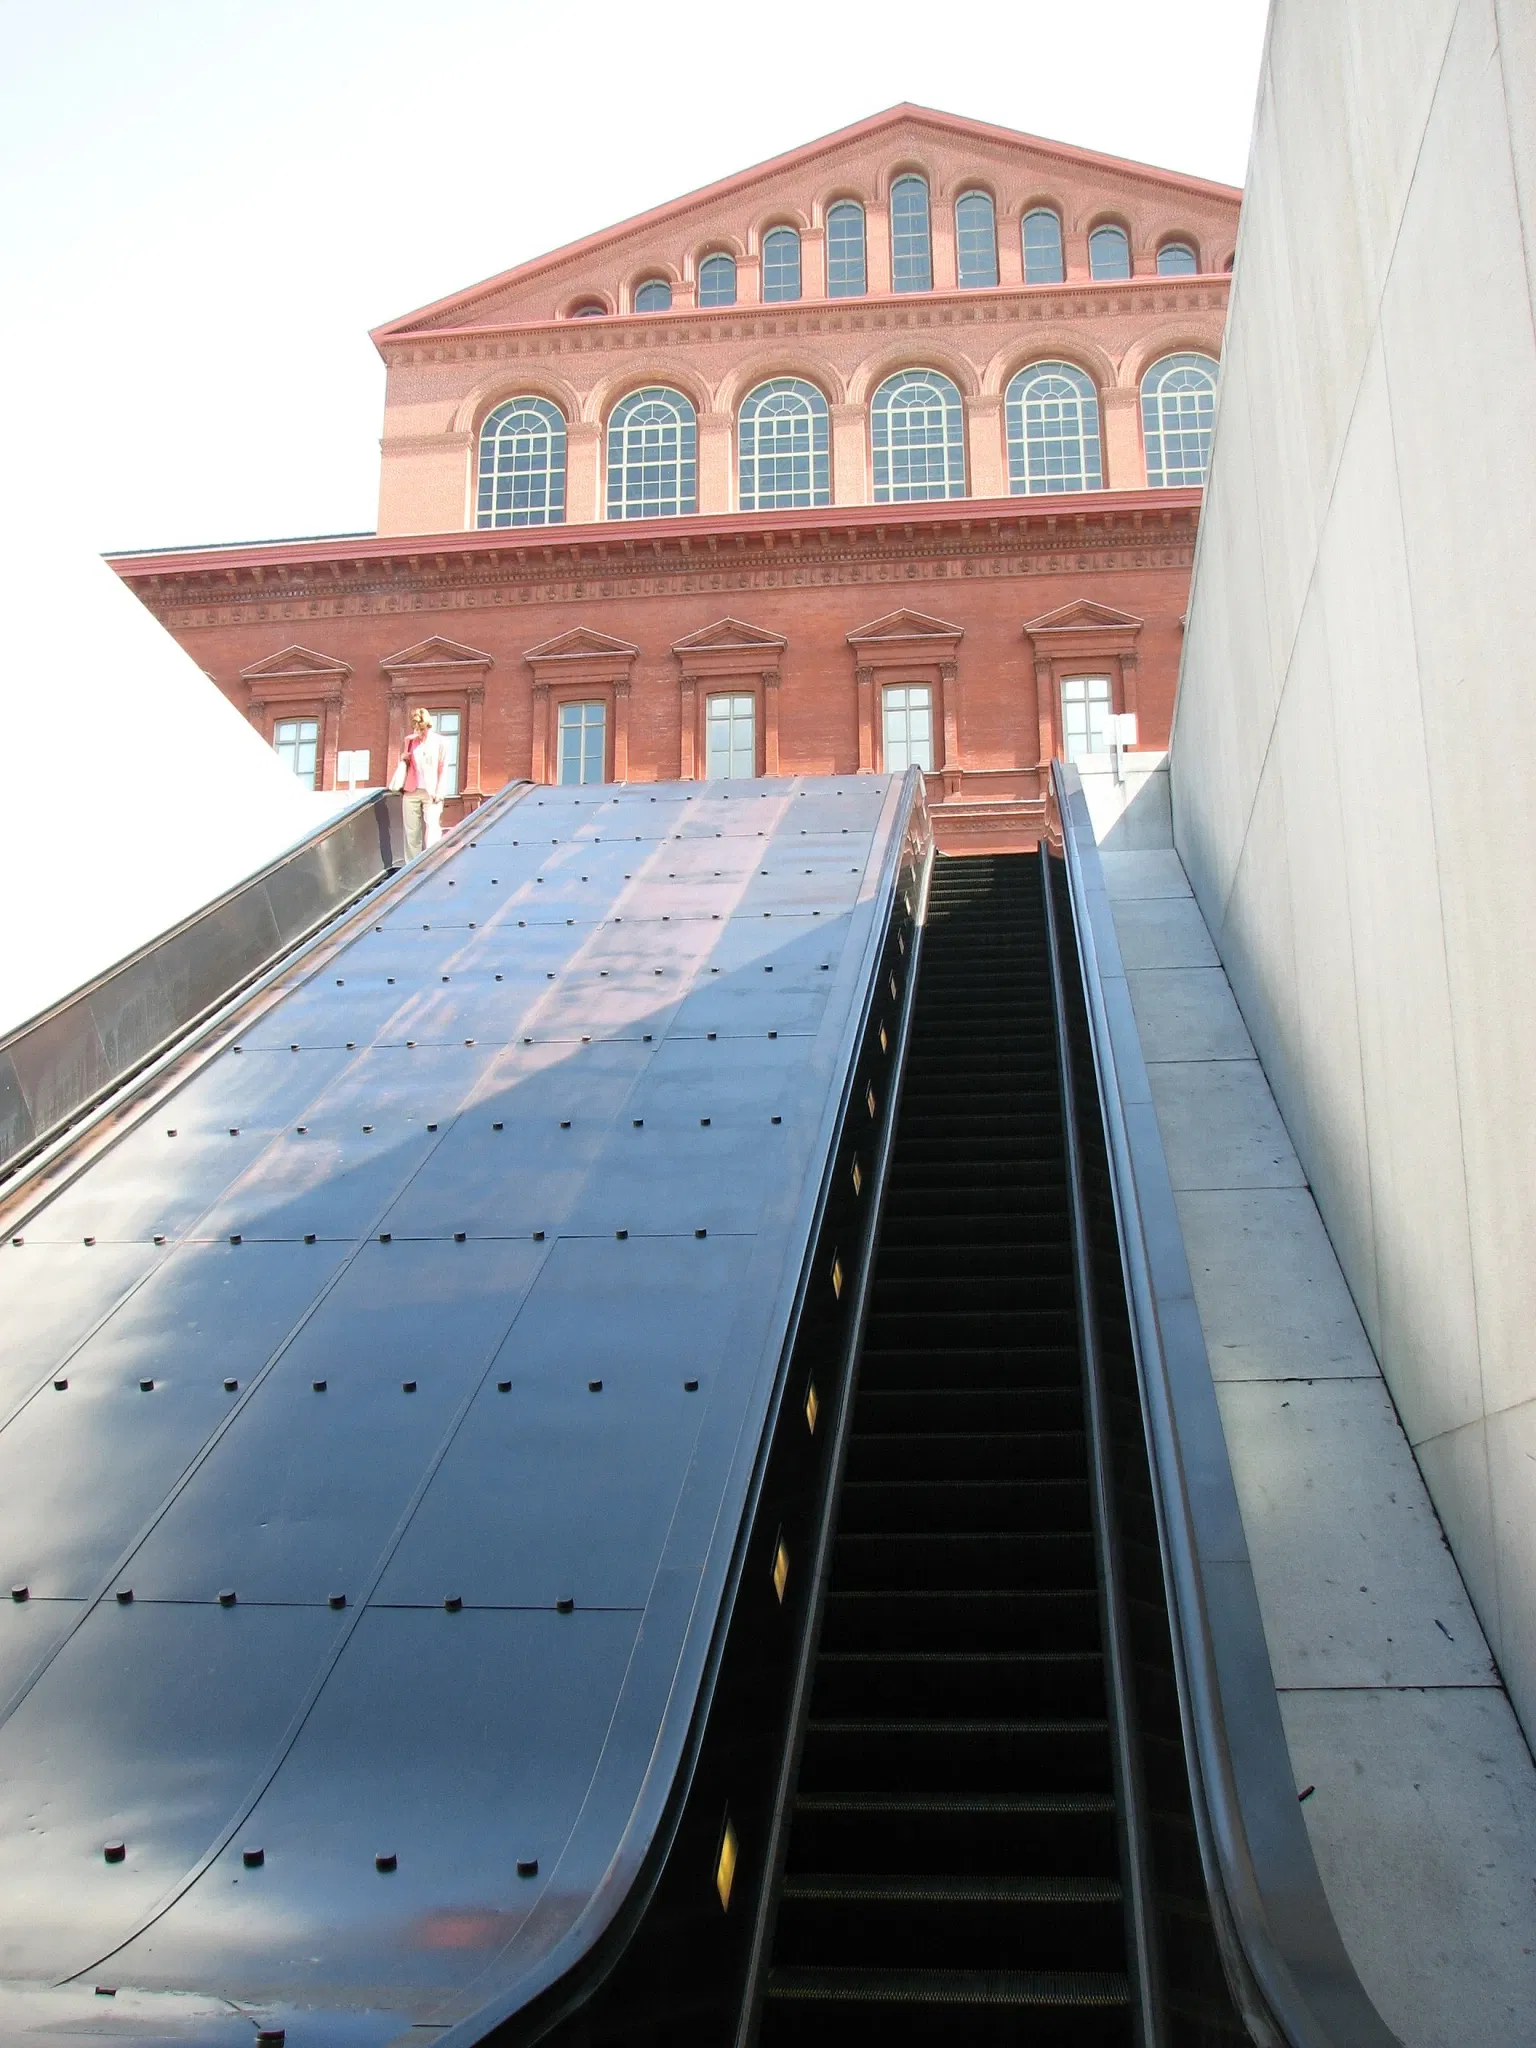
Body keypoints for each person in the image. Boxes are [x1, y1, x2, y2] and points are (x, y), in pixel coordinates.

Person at [390, 707, 447, 857]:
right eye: (416, 729)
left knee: (432, 827)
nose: (419, 733)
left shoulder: (440, 742)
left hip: (431, 791)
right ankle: (412, 866)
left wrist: (440, 790)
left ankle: (432, 860)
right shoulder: (410, 741)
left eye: (421, 729)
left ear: (428, 726)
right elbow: (408, 764)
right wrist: (403, 758)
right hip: (411, 790)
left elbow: (442, 767)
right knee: (411, 832)